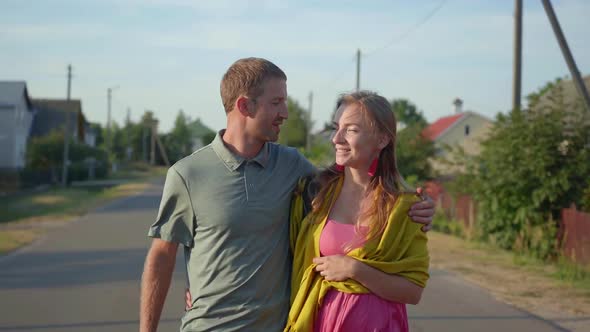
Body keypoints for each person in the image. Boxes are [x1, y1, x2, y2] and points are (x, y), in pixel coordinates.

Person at [140, 58, 435, 332]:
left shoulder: (293, 166)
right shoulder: (187, 174)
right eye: (277, 102)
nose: (285, 113)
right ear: (245, 106)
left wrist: (419, 205)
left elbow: (360, 183)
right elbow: (162, 256)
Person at [285, 91, 430, 332]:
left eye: (351, 130)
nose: (336, 138)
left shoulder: (405, 206)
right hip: (320, 323)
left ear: (382, 139)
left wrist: (354, 269)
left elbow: (413, 291)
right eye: (336, 127)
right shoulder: (313, 192)